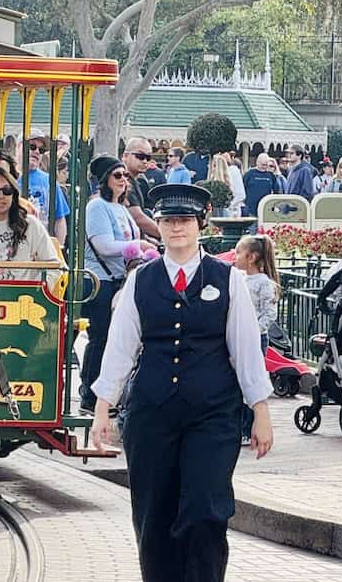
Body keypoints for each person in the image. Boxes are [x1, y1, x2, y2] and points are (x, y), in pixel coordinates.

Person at [89, 182, 274, 582]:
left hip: (213, 415)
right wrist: (103, 408)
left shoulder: (227, 278)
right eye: (169, 220)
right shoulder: (142, 280)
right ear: (158, 225)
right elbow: (120, 347)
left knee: (206, 511)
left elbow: (245, 349)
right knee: (154, 517)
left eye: (185, 220)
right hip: (152, 414)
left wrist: (260, 412)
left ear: (200, 223)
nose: (177, 228)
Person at [80, 156, 156, 414]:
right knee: (99, 337)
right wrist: (139, 247)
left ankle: (109, 393)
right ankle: (89, 394)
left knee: (116, 338)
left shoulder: (121, 208)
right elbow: (103, 245)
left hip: (120, 279)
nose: (124, 180)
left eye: (125, 176)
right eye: (118, 176)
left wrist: (147, 251)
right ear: (104, 180)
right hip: (98, 280)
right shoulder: (96, 207)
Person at [0, 166, 59, 286]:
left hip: (24, 301)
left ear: (13, 195)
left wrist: (34, 291)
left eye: (7, 190)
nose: (1, 196)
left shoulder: (31, 224)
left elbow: (54, 265)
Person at [233, 234, 280, 444]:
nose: (235, 256)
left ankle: (248, 426)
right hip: (237, 336)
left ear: (251, 257)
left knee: (250, 378)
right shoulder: (238, 279)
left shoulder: (263, 283)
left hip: (255, 338)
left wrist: (254, 331)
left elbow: (269, 313)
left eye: (238, 252)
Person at [23, 130, 70, 243]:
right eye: (32, 146)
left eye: (41, 150)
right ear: (19, 146)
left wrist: (58, 249)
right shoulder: (8, 177)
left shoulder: (49, 181)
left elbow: (60, 219)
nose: (37, 152)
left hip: (42, 248)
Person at [121, 137, 160, 238]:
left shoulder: (138, 181)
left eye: (148, 158)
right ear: (125, 156)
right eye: (140, 156)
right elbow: (138, 218)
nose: (145, 161)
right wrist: (167, 235)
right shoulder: (122, 180)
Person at [242, 154, 279, 220]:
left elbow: (277, 191)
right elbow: (242, 189)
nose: (264, 167)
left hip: (265, 209)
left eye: (266, 165)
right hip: (251, 210)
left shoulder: (271, 175)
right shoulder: (249, 174)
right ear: (257, 162)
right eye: (262, 164)